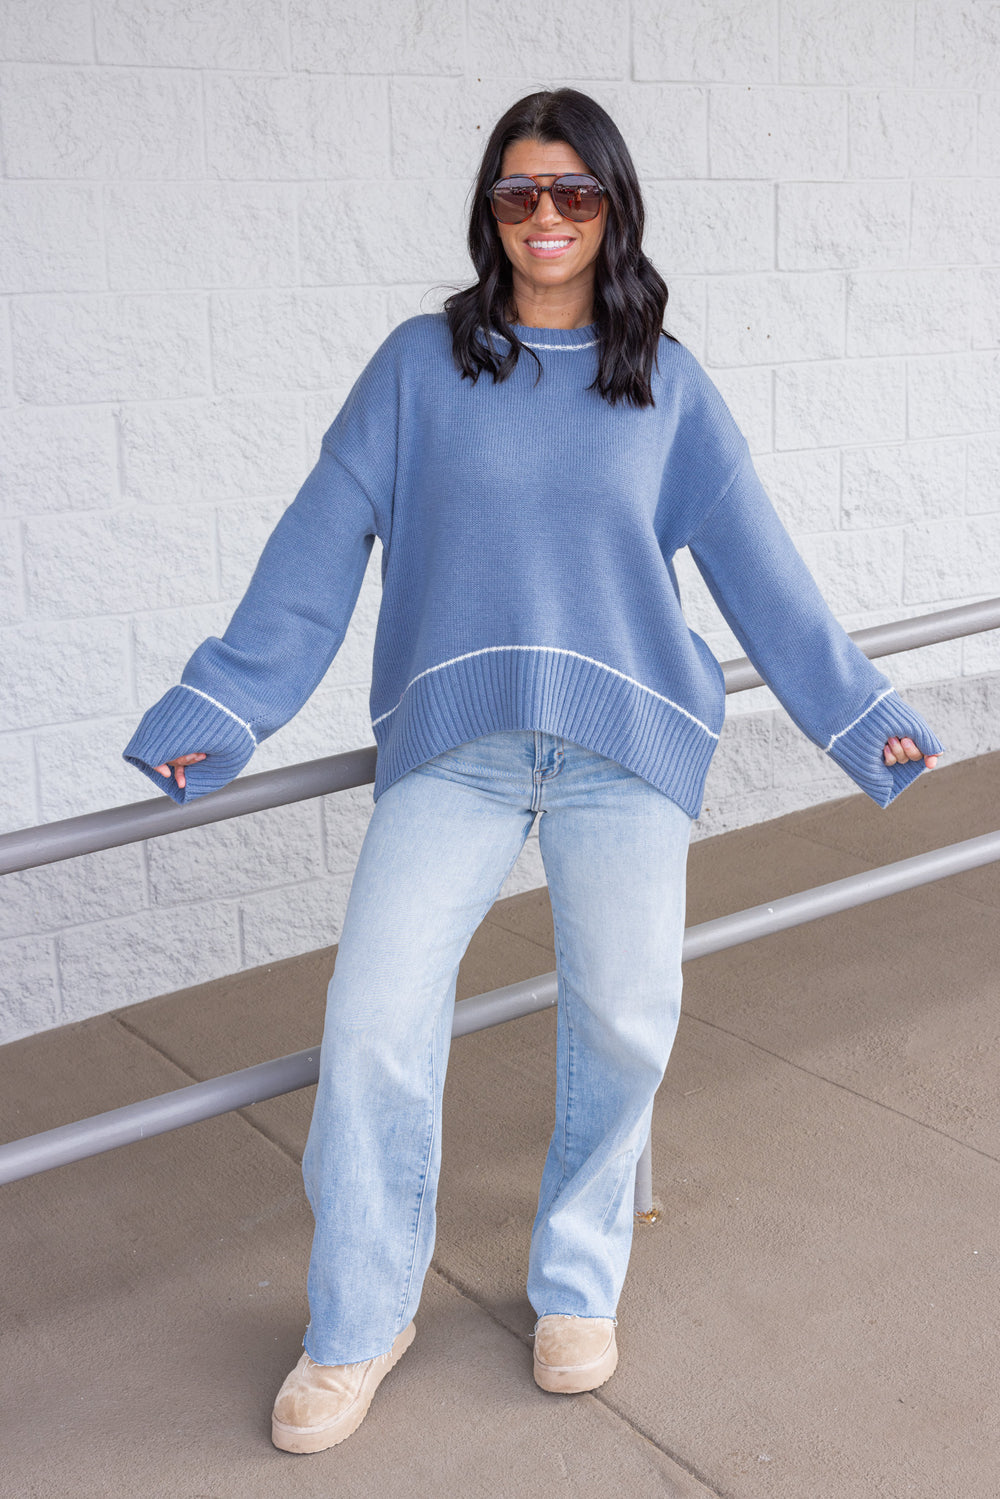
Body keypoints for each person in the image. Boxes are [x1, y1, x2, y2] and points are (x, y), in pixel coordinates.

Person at [122, 88, 944, 1454]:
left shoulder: (664, 380)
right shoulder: (417, 368)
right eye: (519, 193)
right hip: (456, 752)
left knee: (625, 1021)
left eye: (574, 192)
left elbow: (762, 570)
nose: (546, 216)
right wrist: (223, 705)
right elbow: (315, 547)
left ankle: (577, 1280)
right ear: (489, 212)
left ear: (613, 208)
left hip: (625, 750)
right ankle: (360, 1318)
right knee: (373, 1024)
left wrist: (858, 716)